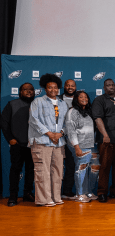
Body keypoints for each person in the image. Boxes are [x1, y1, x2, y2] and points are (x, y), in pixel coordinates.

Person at [28, 74, 68, 206]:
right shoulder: (38, 102)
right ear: (45, 89)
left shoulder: (63, 104)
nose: (53, 90)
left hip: (58, 142)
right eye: (50, 87)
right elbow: (33, 120)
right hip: (42, 141)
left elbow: (67, 122)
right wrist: (49, 133)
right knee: (42, 171)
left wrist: (60, 133)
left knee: (58, 171)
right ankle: (43, 199)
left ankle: (56, 197)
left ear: (59, 89)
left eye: (55, 88)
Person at [92, 79, 115, 202]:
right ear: (104, 87)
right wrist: (105, 135)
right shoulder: (99, 100)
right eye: (108, 85)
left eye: (112, 85)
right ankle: (102, 192)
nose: (111, 87)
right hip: (106, 140)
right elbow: (97, 118)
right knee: (105, 166)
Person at [1, 83, 36, 206]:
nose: (28, 91)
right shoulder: (12, 104)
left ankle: (27, 194)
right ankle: (13, 197)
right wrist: (10, 138)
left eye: (31, 89)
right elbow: (4, 122)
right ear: (20, 92)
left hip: (33, 144)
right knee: (15, 170)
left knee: (31, 171)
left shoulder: (38, 104)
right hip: (17, 144)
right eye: (25, 89)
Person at [65, 91, 100, 203]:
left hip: (91, 144)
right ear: (76, 99)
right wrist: (76, 147)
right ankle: (80, 194)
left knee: (95, 166)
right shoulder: (72, 112)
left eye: (86, 97)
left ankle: (88, 191)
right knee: (82, 167)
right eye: (81, 97)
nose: (84, 98)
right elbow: (71, 131)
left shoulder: (88, 112)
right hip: (79, 144)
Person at [58, 79, 77, 199]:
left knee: (71, 165)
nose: (70, 87)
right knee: (57, 165)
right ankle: (54, 192)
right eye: (68, 85)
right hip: (57, 137)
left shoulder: (79, 99)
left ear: (75, 87)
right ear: (64, 86)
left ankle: (67, 191)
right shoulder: (57, 98)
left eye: (72, 86)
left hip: (72, 138)